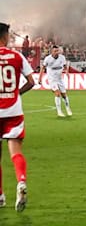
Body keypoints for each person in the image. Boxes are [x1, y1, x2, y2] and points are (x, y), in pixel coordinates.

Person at [0, 23, 35, 212]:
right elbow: (32, 82)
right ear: (5, 37)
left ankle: (0, 196)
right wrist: (17, 93)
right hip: (13, 111)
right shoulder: (16, 56)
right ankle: (21, 182)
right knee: (16, 152)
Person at [40, 46, 71, 117]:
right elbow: (43, 68)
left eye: (57, 51)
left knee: (64, 95)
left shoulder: (62, 57)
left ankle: (68, 108)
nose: (57, 52)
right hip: (52, 79)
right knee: (57, 93)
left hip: (59, 79)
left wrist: (66, 72)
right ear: (52, 52)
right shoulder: (47, 59)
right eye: (55, 51)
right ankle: (59, 111)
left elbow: (65, 66)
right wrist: (39, 78)